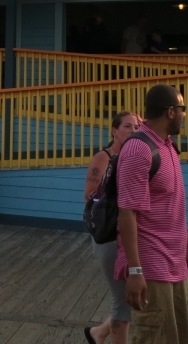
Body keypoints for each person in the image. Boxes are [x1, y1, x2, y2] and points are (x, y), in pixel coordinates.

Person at [116, 85, 188, 344]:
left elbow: (172, 204)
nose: (184, 115)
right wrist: (135, 271)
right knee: (154, 336)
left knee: (178, 335)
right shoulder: (139, 150)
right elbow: (127, 213)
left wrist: (187, 246)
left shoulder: (168, 146)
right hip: (151, 266)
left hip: (175, 261)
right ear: (171, 112)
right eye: (183, 109)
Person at [83, 112, 141, 344]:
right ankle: (103, 334)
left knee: (130, 300)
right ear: (114, 131)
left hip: (130, 236)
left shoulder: (135, 158)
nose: (133, 131)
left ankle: (99, 333)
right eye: (127, 126)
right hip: (108, 236)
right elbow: (89, 196)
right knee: (122, 303)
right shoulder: (104, 158)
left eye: (137, 127)